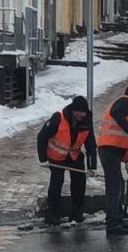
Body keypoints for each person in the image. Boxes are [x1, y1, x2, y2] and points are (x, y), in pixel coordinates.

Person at [37, 95, 96, 225]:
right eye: (80, 112)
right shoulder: (58, 118)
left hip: (74, 155)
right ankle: (52, 213)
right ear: (73, 110)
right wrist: (43, 159)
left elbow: (91, 144)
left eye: (84, 112)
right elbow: (41, 137)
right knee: (57, 182)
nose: (83, 115)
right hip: (56, 157)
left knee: (79, 182)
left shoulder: (87, 122)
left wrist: (92, 166)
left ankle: (76, 212)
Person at [97, 82, 128, 238]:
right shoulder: (125, 102)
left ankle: (118, 216)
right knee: (114, 185)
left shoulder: (127, 105)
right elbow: (117, 115)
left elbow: (123, 140)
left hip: (113, 150)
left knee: (119, 184)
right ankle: (112, 223)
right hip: (108, 149)